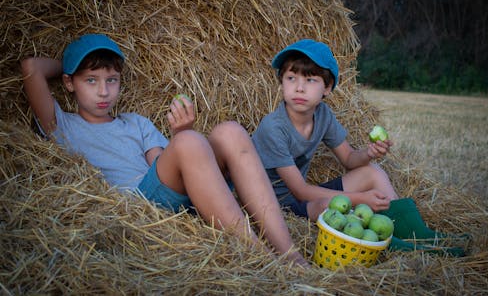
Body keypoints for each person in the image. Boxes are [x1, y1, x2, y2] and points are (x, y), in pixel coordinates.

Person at [20, 33, 309, 267]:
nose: (103, 91)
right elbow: (31, 68)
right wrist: (71, 65)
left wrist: (182, 136)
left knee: (230, 131)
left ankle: (291, 255)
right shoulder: (62, 126)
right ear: (70, 83)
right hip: (133, 205)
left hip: (164, 194)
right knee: (190, 142)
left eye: (111, 80)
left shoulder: (135, 123)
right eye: (90, 80)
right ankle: (261, 258)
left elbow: (162, 163)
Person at [251, 39, 468, 256]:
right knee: (326, 205)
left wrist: (368, 153)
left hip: (299, 197)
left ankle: (414, 232)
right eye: (291, 78)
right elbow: (301, 191)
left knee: (372, 172)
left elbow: (348, 159)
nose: (299, 87)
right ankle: (392, 245)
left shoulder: (323, 115)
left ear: (327, 88)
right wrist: (362, 199)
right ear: (281, 82)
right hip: (276, 205)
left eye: (310, 80)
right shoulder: (274, 128)